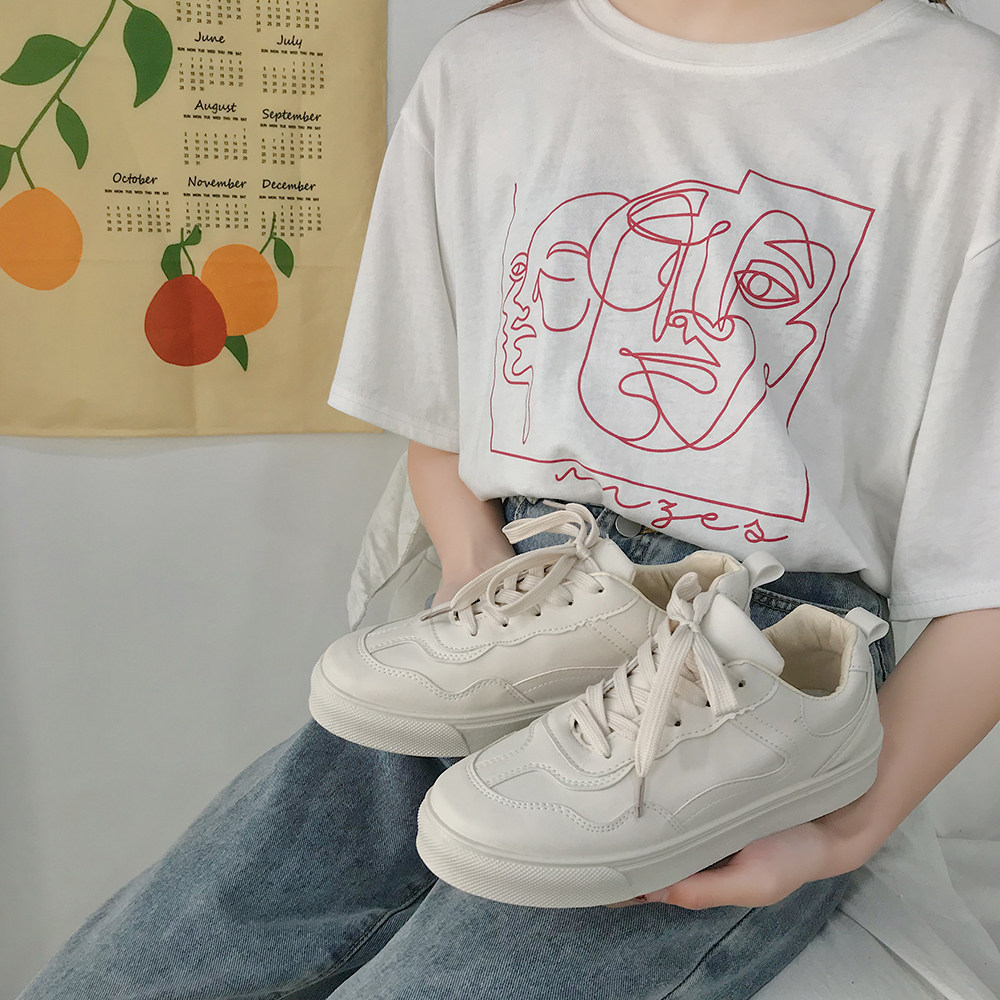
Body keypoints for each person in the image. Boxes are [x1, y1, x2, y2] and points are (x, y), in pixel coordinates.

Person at [18, 0, 1000, 997]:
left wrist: (840, 829)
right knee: (125, 976)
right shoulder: (487, 70)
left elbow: (986, 578)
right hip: (521, 605)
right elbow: (441, 416)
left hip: (751, 667)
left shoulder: (965, 105)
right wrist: (472, 566)